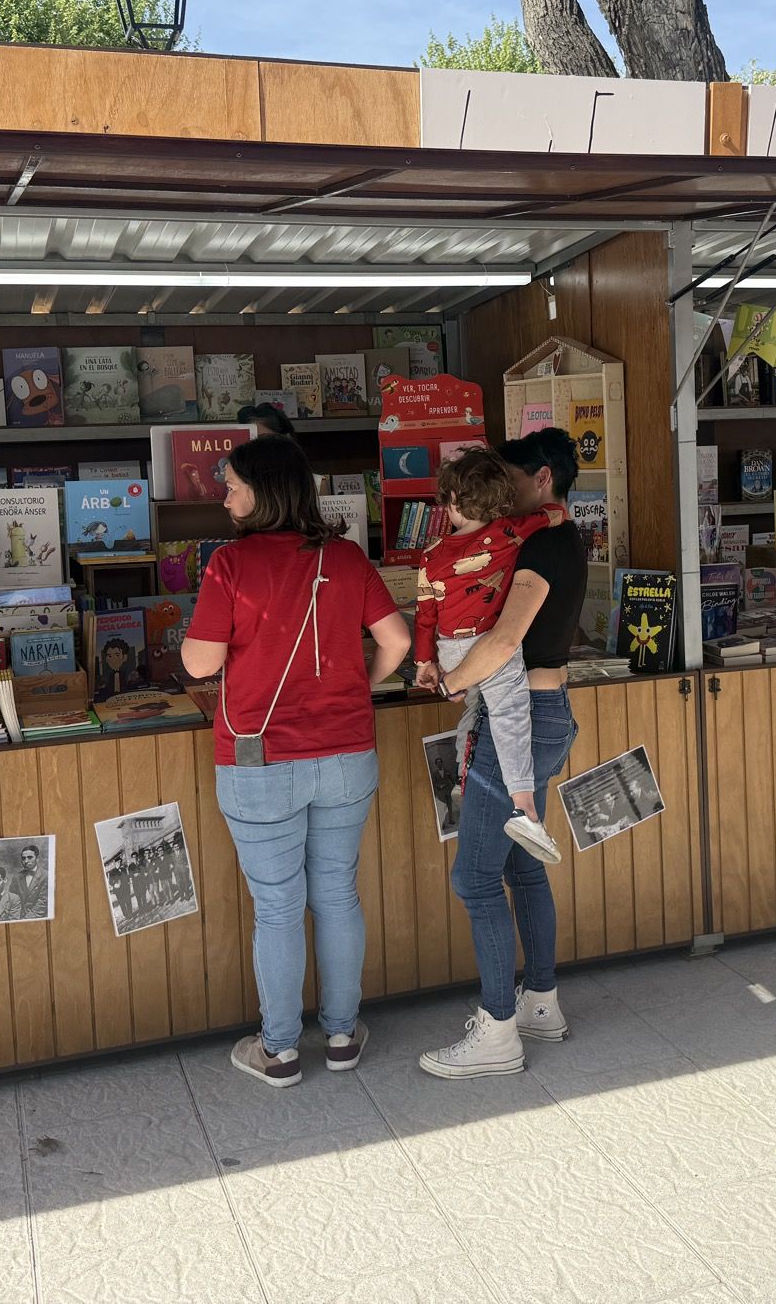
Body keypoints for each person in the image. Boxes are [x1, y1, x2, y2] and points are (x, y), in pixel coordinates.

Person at [181, 433, 411, 1087]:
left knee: (279, 907)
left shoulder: (230, 565)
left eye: (233, 484)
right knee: (337, 893)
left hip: (260, 762)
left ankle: (280, 1050)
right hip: (346, 754)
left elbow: (200, 663)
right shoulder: (343, 556)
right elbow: (394, 641)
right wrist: (359, 686)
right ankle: (342, 1035)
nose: (225, 494)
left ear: (264, 491)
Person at [420, 428, 587, 1079]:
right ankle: (538, 1004)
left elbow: (503, 639)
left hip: (521, 719)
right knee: (520, 869)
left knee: (475, 876)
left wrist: (447, 681)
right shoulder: (555, 532)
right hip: (542, 714)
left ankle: (496, 1032)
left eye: (508, 481)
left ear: (541, 478)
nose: (497, 496)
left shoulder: (543, 545)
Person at [413, 446, 566, 865]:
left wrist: (426, 665)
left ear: (451, 503)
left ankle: (465, 775)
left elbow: (424, 618)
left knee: (475, 714)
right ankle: (524, 808)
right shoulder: (508, 533)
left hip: (449, 646)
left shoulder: (429, 557)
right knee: (510, 714)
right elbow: (546, 516)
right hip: (487, 645)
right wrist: (557, 516)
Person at [14, 845, 50, 919]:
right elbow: (12, 900)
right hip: (18, 917)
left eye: (30, 857)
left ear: (37, 859)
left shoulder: (46, 876)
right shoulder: (16, 877)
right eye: (23, 858)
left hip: (39, 918)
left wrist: (26, 919)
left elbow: (43, 903)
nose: (26, 861)